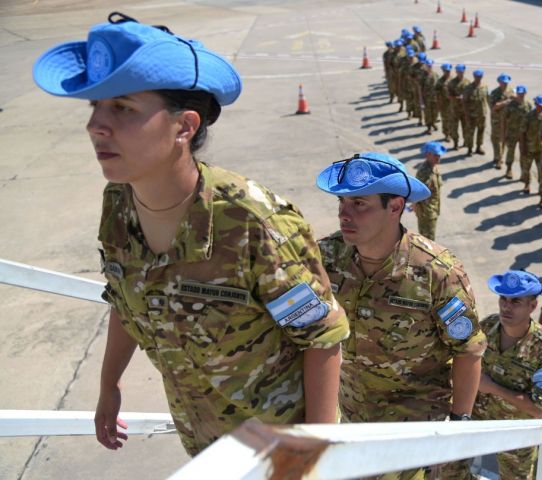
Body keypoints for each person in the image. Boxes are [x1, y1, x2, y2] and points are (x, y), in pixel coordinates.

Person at [33, 14, 350, 455]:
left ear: (184, 127)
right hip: (202, 441)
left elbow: (322, 337)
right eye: (95, 107)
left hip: (278, 448)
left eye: (122, 108)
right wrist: (109, 386)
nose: (96, 126)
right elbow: (125, 297)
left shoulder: (251, 223)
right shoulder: (119, 203)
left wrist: (316, 453)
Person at [316, 152, 486, 479]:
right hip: (352, 412)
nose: (344, 214)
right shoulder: (326, 257)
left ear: (395, 207)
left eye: (359, 204)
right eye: (342, 203)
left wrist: (459, 423)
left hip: (415, 422)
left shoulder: (438, 272)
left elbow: (467, 350)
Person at [473, 270, 542, 479]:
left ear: (532, 306)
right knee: (449, 469)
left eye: (516, 301)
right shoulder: (488, 326)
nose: (506, 306)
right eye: (503, 299)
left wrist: (493, 388)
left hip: (516, 432)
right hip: (476, 418)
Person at [414, 141, 446, 240]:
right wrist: (416, 208)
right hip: (426, 213)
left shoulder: (434, 167)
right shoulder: (424, 172)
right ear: (428, 155)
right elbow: (416, 193)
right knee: (427, 242)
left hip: (433, 210)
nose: (438, 157)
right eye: (436, 155)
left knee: (430, 239)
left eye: (439, 155)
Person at [504, 85, 533, 182]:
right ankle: (509, 169)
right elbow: (504, 119)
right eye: (519, 93)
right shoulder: (510, 105)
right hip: (512, 132)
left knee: (523, 153)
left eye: (522, 93)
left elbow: (531, 120)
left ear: (525, 93)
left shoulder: (528, 105)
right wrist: (504, 133)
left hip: (524, 134)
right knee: (510, 151)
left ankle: (523, 173)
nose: (520, 95)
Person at [523, 95, 542, 195]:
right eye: (539, 105)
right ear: (535, 104)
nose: (541, 107)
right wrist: (523, 147)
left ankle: (541, 188)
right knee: (526, 168)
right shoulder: (529, 116)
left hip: (541, 149)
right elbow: (522, 132)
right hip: (529, 146)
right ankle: (527, 184)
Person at [488, 73, 514, 170]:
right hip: (497, 120)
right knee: (496, 139)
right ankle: (497, 157)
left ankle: (500, 158)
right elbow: (493, 107)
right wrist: (505, 102)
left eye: (506, 82)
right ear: (499, 82)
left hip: (508, 120)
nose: (505, 84)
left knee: (504, 139)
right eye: (503, 82)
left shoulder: (511, 92)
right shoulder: (494, 93)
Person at [463, 69, 489, 156]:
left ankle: (478, 147)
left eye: (479, 76)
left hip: (482, 114)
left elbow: (487, 99)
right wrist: (466, 114)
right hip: (471, 114)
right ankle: (470, 149)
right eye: (476, 76)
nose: (478, 78)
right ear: (474, 76)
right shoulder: (468, 88)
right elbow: (465, 101)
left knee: (481, 131)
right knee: (470, 132)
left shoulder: (485, 87)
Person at [447, 64, 470, 150]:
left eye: (462, 71)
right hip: (455, 109)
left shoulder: (468, 82)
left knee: (465, 127)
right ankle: (456, 143)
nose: (460, 73)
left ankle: (465, 141)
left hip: (465, 109)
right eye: (459, 71)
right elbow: (448, 95)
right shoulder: (452, 83)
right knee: (454, 127)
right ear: (456, 71)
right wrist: (457, 98)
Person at [436, 63, 453, 141]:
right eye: (446, 71)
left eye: (449, 71)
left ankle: (452, 133)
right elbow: (437, 94)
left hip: (453, 104)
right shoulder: (440, 82)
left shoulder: (453, 80)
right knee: (445, 119)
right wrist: (439, 105)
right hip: (444, 104)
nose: (448, 72)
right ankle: (447, 134)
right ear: (443, 71)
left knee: (452, 119)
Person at [421, 58, 440, 135]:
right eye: (428, 66)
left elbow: (439, 86)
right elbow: (420, 88)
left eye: (430, 66)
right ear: (425, 66)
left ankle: (433, 123)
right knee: (428, 113)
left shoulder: (436, 75)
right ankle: (429, 128)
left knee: (435, 112)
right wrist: (421, 99)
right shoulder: (423, 76)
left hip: (435, 97)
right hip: (427, 98)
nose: (429, 67)